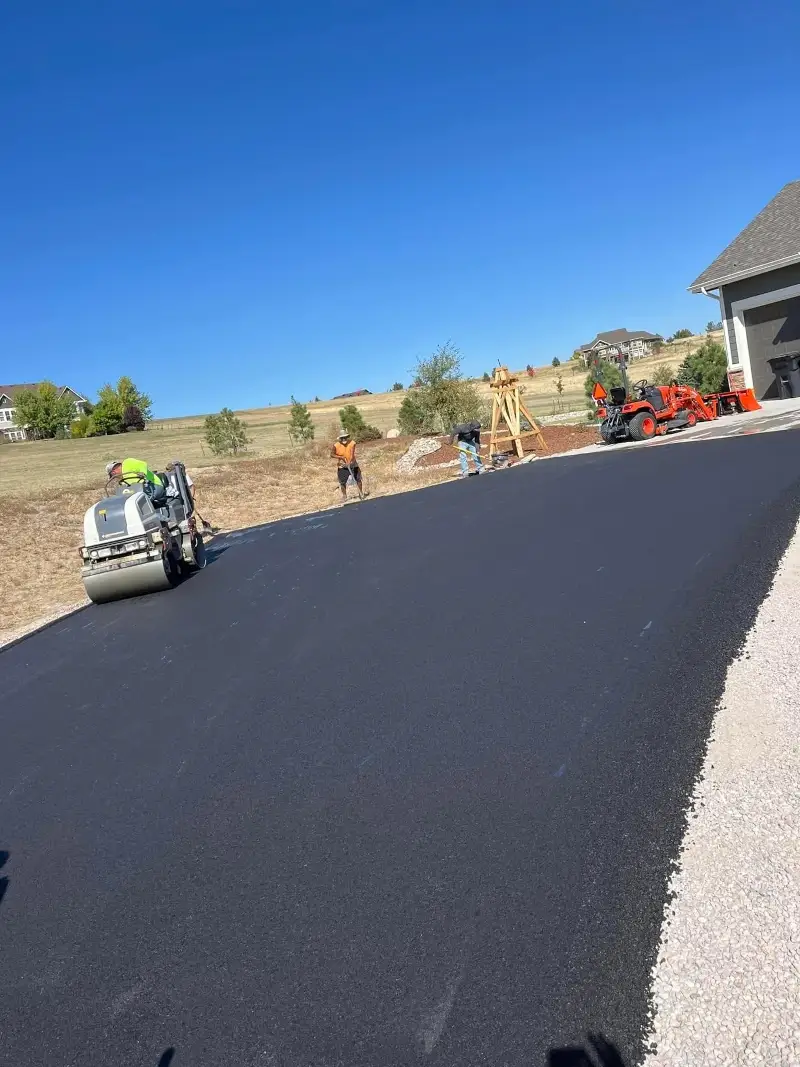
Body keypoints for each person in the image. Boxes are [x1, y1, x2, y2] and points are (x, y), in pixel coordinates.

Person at [330, 430, 364, 501]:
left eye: (345, 437)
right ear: (340, 438)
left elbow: (352, 453)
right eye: (342, 438)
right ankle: (344, 496)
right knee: (342, 482)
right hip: (342, 465)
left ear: (347, 437)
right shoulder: (336, 445)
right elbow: (332, 454)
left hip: (353, 464)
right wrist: (340, 457)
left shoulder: (352, 443)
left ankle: (361, 493)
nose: (344, 439)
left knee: (358, 479)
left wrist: (350, 462)